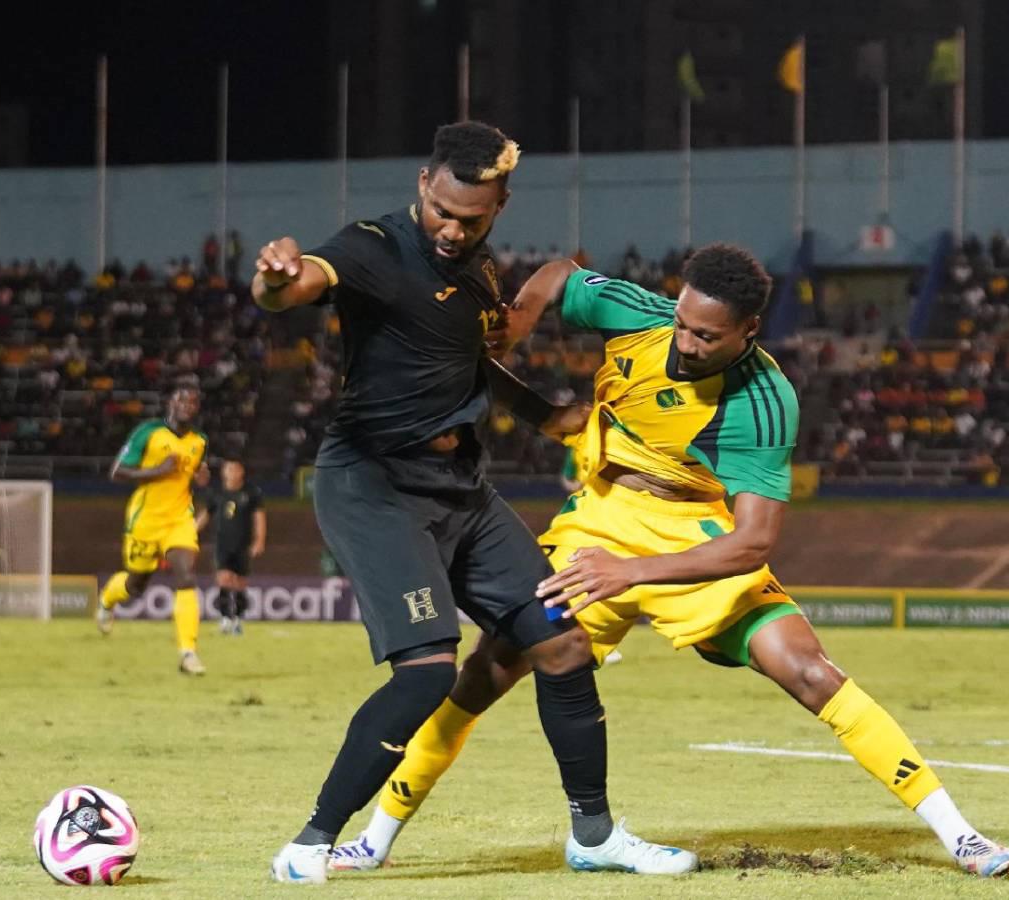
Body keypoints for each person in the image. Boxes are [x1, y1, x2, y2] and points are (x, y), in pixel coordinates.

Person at [329, 245, 1009, 879]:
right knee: (487, 671)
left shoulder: (763, 402)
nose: (685, 343)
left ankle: (961, 836)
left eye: (706, 336)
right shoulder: (640, 316)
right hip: (599, 521)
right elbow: (559, 274)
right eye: (684, 323)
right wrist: (519, 327)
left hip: (693, 535)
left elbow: (752, 543)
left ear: (748, 330)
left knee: (809, 669)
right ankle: (376, 837)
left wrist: (628, 572)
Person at [252, 120, 693, 884]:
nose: (453, 230)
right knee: (426, 671)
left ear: (500, 206)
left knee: (562, 643)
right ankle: (310, 845)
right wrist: (274, 277)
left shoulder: (480, 272)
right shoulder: (373, 248)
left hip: (462, 490)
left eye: (473, 219)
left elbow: (480, 358)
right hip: (375, 485)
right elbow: (296, 287)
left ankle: (594, 837)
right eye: (443, 213)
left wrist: (548, 415)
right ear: (424, 185)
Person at [95, 381, 210, 676]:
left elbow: (194, 475)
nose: (187, 405)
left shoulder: (200, 441)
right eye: (182, 399)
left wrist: (201, 479)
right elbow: (117, 472)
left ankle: (188, 653)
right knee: (137, 586)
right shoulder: (148, 432)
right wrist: (157, 471)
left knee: (186, 574)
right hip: (145, 521)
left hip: (179, 520)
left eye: (193, 401)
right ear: (171, 403)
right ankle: (108, 599)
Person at [194, 457, 266, 635]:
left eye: (236, 469)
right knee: (224, 578)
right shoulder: (216, 494)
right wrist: (190, 533)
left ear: (242, 472)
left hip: (243, 545)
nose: (232, 473)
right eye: (229, 469)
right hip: (222, 544)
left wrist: (259, 540)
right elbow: (205, 516)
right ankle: (226, 618)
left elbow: (259, 518)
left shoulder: (251, 493)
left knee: (240, 582)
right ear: (223, 472)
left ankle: (238, 619)